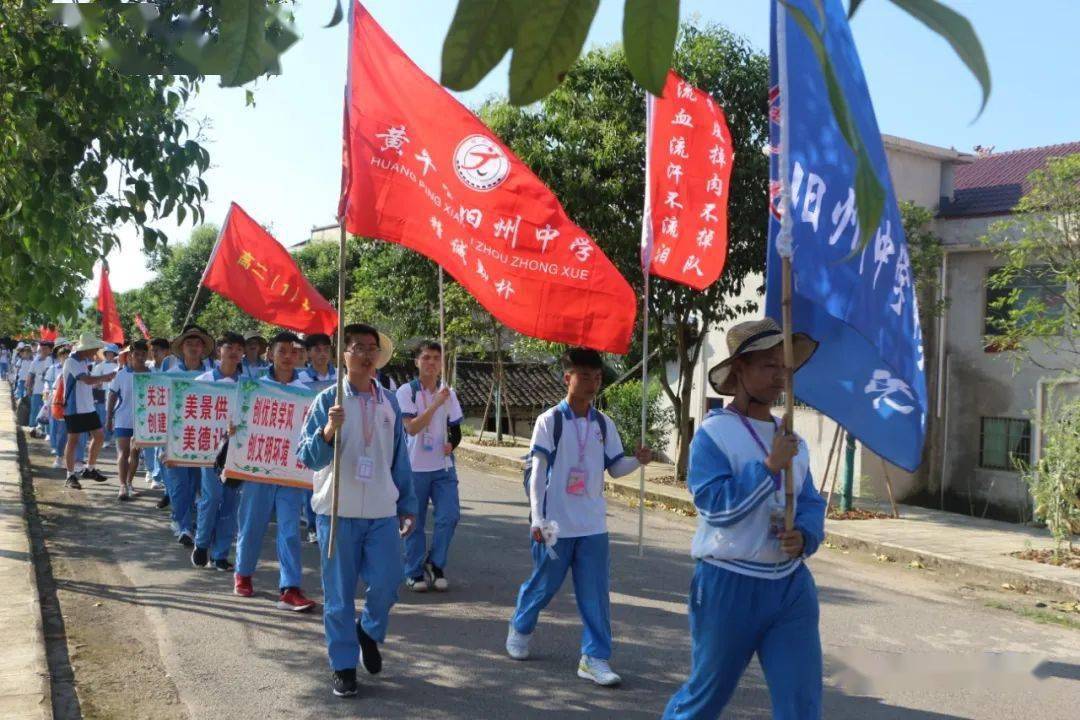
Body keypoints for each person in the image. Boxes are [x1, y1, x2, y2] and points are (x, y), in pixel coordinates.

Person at [662, 318, 826, 720]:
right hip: (728, 582)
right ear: (740, 370)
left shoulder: (793, 440)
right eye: (769, 365)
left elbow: (810, 501)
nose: (780, 376)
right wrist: (769, 466)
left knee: (801, 703)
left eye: (784, 366)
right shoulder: (713, 435)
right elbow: (716, 508)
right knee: (706, 698)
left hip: (790, 588)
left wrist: (804, 535)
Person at [505, 348, 653, 688]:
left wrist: (639, 460)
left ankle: (595, 657)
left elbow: (616, 468)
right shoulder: (550, 421)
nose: (592, 383)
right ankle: (521, 626)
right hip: (555, 524)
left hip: (592, 525)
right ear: (567, 377)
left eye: (597, 377)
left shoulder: (604, 424)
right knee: (544, 584)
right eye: (584, 376)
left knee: (595, 593)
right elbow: (539, 470)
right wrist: (537, 518)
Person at [298, 322, 416, 699]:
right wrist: (328, 431)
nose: (365, 354)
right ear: (343, 355)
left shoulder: (390, 403)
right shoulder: (327, 401)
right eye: (357, 347)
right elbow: (308, 457)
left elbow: (400, 460)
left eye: (371, 347)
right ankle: (344, 666)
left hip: (381, 510)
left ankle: (369, 630)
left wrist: (407, 505)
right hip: (337, 511)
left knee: (388, 580)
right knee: (339, 595)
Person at [233, 330, 316, 612]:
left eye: (293, 352)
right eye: (282, 351)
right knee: (252, 524)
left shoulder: (306, 393)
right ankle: (243, 574)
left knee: (291, 529)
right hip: (259, 470)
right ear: (270, 354)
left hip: (290, 472)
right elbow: (238, 422)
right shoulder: (253, 388)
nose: (288, 357)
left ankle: (290, 587)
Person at [396, 340, 464, 592]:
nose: (431, 362)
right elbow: (412, 428)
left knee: (449, 516)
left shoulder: (449, 393)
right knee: (413, 522)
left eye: (436, 358)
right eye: (426, 357)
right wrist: (435, 404)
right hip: (414, 468)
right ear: (417, 362)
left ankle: (435, 564)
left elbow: (455, 430)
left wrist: (452, 445)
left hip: (443, 468)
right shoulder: (406, 392)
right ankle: (413, 572)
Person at [190, 332, 245, 571]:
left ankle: (221, 553)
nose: (233, 352)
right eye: (229, 347)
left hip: (237, 452)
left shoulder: (249, 384)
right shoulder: (203, 381)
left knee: (231, 503)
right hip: (210, 450)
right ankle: (202, 543)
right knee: (212, 498)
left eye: (238, 348)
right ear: (219, 350)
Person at [160, 325, 215, 545]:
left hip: (203, 440)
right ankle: (183, 525)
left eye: (198, 343)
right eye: (189, 343)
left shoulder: (212, 377)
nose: (193, 347)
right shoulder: (170, 375)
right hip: (175, 440)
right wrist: (158, 442)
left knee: (201, 487)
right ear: (182, 348)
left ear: (203, 348)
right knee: (180, 485)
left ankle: (195, 524)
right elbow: (157, 410)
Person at [62, 334, 117, 489]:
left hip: (88, 406)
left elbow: (88, 382)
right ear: (86, 348)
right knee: (73, 440)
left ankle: (90, 469)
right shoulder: (71, 361)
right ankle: (70, 475)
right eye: (94, 348)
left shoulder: (84, 361)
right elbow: (86, 380)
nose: (96, 351)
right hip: (74, 408)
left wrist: (101, 379)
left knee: (99, 436)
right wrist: (105, 377)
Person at [300, 332, 337, 542]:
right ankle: (313, 525)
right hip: (311, 436)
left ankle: (329, 520)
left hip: (337, 436)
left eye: (325, 349)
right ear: (308, 353)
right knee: (310, 480)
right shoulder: (300, 379)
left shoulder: (341, 376)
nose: (322, 354)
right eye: (317, 349)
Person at [107, 341, 150, 501]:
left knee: (135, 453)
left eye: (143, 354)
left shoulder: (151, 375)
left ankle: (130, 482)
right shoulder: (121, 374)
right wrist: (108, 417)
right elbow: (112, 396)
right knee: (123, 452)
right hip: (123, 419)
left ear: (147, 355)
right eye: (136, 354)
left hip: (143, 420)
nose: (140, 357)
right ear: (130, 355)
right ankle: (122, 486)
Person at [144, 338, 173, 491]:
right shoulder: (148, 368)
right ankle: (153, 474)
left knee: (163, 447)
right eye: (153, 350)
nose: (154, 353)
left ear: (167, 352)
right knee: (153, 446)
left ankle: (159, 477)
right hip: (152, 411)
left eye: (158, 350)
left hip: (169, 412)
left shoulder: (173, 368)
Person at [92, 343, 120, 447]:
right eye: (107, 353)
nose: (109, 355)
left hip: (115, 394)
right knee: (104, 417)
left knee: (115, 417)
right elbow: (93, 380)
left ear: (115, 354)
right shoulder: (100, 366)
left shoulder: (119, 366)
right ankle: (106, 438)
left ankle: (113, 437)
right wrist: (98, 383)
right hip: (102, 394)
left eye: (111, 353)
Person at [25, 339, 54, 437]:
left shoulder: (53, 360)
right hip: (37, 390)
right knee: (34, 409)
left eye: (46, 349)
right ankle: (32, 428)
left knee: (47, 411)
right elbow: (30, 375)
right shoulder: (35, 361)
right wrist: (28, 388)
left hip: (49, 391)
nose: (43, 350)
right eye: (42, 348)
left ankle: (47, 432)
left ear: (50, 350)